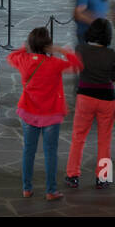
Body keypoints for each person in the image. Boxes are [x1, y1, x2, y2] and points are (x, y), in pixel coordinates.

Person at [8, 27, 82, 201]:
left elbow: (10, 57)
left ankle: (27, 188)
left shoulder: (23, 59)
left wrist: (24, 48)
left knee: (28, 151)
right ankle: (51, 190)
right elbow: (77, 65)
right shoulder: (54, 63)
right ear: (47, 45)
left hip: (28, 112)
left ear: (31, 44)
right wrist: (60, 50)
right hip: (51, 114)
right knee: (50, 153)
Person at [66, 17, 115, 189]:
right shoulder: (111, 54)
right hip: (106, 98)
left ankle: (72, 175)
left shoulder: (80, 49)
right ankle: (103, 177)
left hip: (85, 97)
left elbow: (75, 68)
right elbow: (114, 76)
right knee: (105, 139)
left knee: (78, 137)